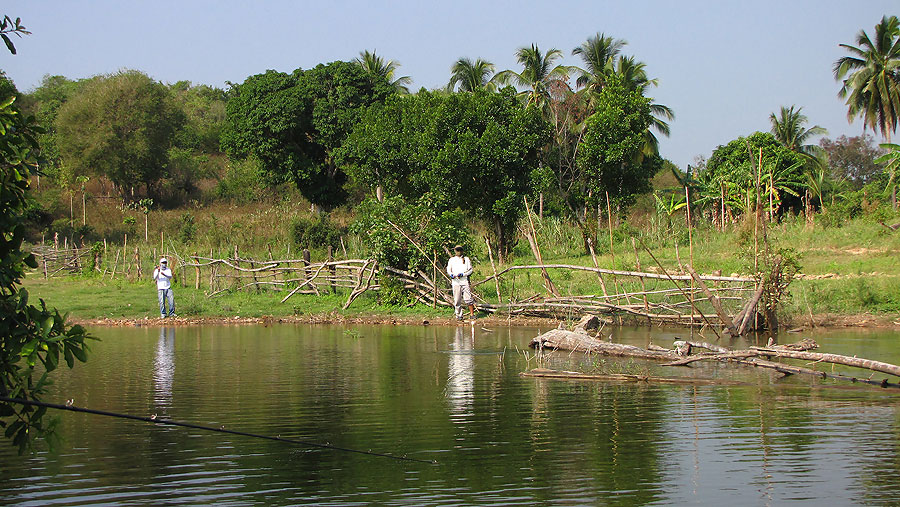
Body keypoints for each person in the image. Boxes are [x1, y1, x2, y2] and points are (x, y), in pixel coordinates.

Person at [446, 245, 475, 321]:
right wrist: (451, 275)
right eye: (457, 250)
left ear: (462, 251)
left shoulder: (466, 259)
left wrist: (463, 274)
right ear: (455, 251)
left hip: (464, 281)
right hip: (455, 282)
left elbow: (470, 270)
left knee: (468, 298)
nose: (458, 251)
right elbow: (449, 270)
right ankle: (459, 315)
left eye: (460, 250)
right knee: (457, 299)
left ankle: (472, 314)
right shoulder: (451, 260)